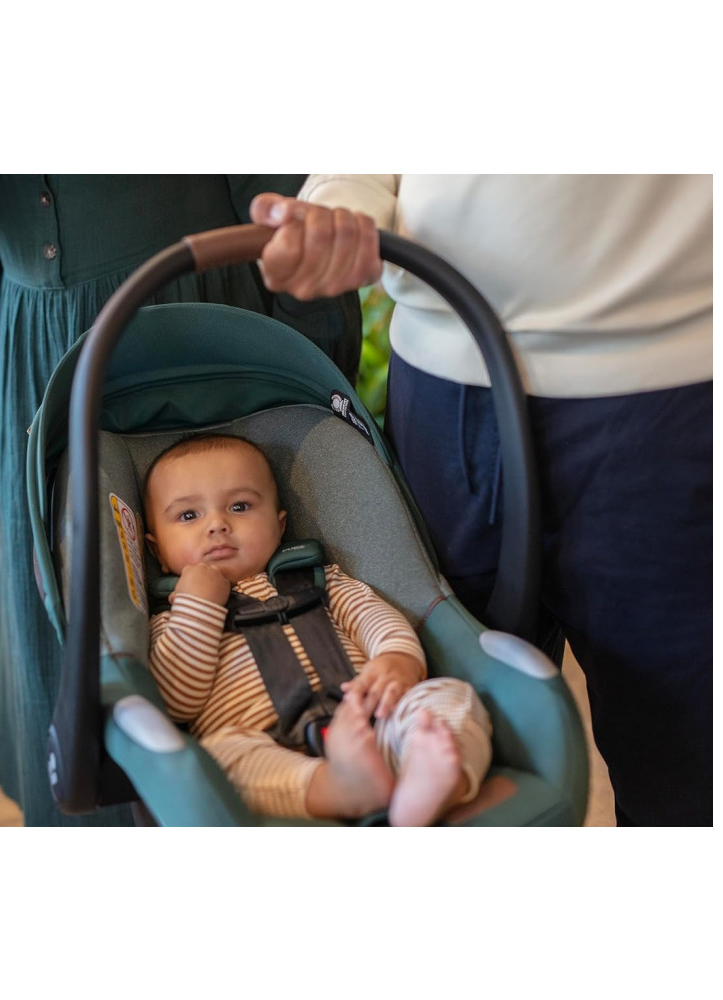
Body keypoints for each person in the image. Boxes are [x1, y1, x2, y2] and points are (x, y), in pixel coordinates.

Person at [0, 175, 363, 827]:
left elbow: (290, 200)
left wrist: (310, 345)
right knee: (72, 624)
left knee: (252, 579)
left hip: (196, 330)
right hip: (44, 372)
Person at [248, 175, 712, 826]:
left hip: (663, 381)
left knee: (680, 758)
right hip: (443, 392)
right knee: (459, 717)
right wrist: (337, 201)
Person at [144, 433, 493, 825]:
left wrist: (398, 657)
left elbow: (369, 616)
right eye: (188, 516)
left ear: (279, 526)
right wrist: (199, 605)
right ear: (157, 551)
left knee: (450, 698)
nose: (217, 525)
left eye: (239, 506)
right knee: (213, 760)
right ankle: (339, 789)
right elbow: (177, 700)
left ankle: (428, 780)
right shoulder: (172, 619)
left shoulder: (317, 580)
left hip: (370, 715)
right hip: (268, 747)